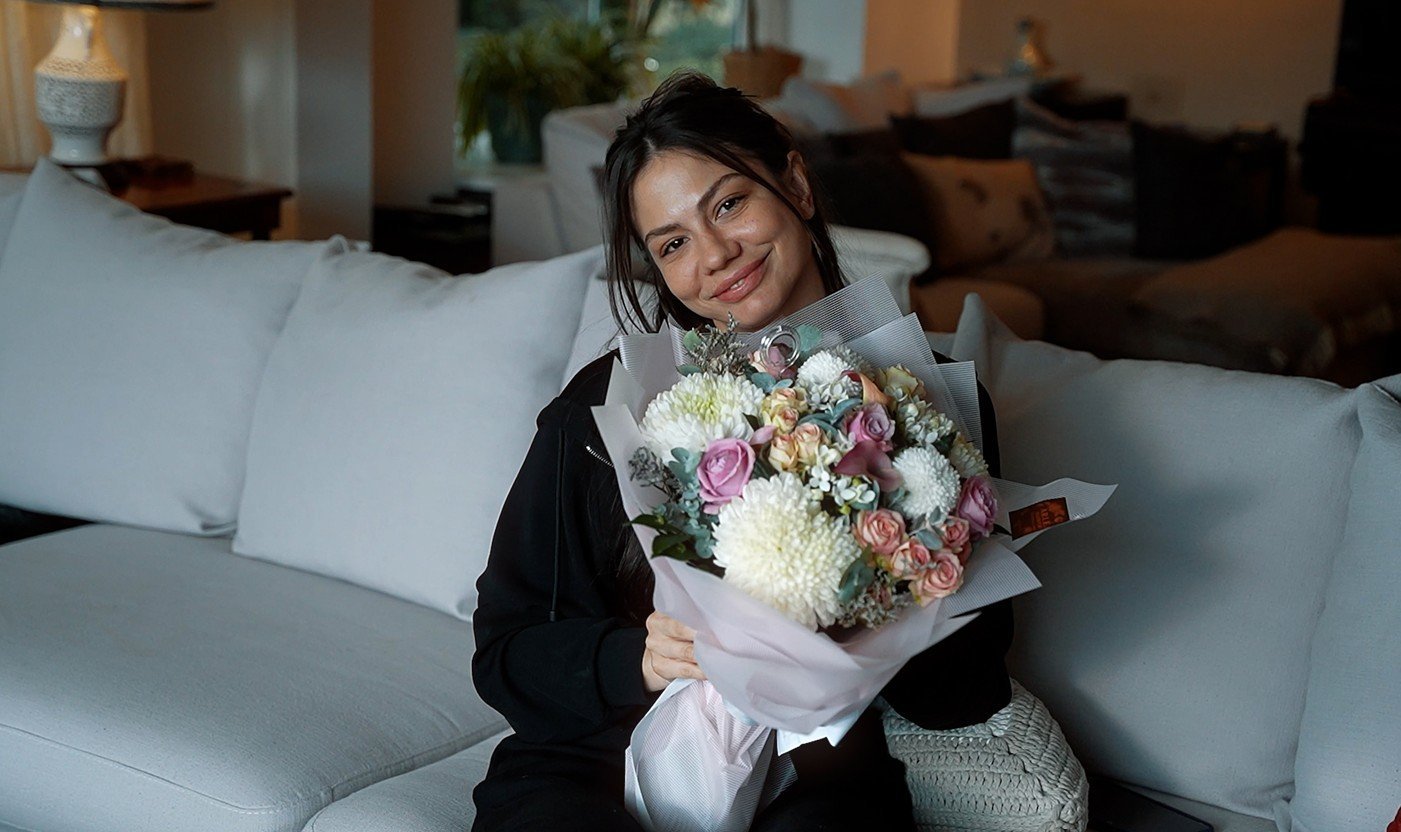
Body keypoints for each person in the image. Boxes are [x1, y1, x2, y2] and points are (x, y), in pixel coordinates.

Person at [471, 71, 1014, 831]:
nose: (717, 254)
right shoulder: (605, 410)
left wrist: (892, 571)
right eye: (673, 243)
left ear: (795, 184)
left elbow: (962, 694)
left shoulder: (925, 410)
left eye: (728, 204)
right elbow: (506, 651)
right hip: (588, 767)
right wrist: (637, 659)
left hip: (812, 776)